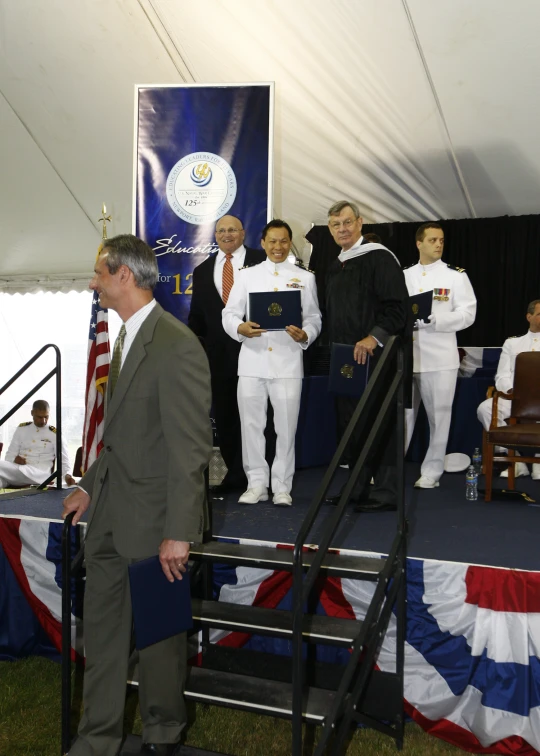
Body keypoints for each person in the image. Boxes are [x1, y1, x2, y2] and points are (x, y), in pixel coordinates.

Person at [62, 234, 212, 756]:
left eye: (99, 273)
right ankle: (96, 737)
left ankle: (163, 735)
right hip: (107, 516)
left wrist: (179, 531)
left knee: (159, 645)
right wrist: (88, 484)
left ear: (124, 275)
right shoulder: (123, 339)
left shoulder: (175, 344)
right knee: (101, 641)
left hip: (155, 524)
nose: (93, 282)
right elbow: (125, 432)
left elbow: (189, 449)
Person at [222, 219, 321, 506]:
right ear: (263, 243)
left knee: (286, 427)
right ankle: (256, 484)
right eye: (272, 241)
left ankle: (281, 486)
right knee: (251, 426)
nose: (278, 247)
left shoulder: (305, 278)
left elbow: (314, 317)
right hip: (252, 361)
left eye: (284, 241)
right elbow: (229, 314)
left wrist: (306, 335)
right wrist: (239, 328)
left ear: (290, 244)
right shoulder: (247, 276)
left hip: (288, 362)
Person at [324, 200, 410, 512]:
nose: (342, 229)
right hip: (346, 358)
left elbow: (397, 306)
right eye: (336, 225)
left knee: (380, 421)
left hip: (376, 357)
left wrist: (374, 337)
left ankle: (386, 492)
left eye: (347, 222)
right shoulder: (338, 263)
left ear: (360, 223)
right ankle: (357, 488)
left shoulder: (379, 258)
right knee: (353, 424)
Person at [188, 215, 265, 494]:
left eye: (232, 229)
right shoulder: (202, 271)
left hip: (260, 352)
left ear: (243, 233)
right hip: (219, 360)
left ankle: (263, 476)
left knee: (259, 416)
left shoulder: (262, 260)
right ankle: (235, 475)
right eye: (221, 231)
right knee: (226, 417)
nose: (226, 235)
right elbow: (197, 317)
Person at [404, 222, 477, 489]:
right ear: (419, 243)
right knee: (403, 417)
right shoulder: (404, 275)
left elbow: (469, 314)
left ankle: (431, 472)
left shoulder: (455, 276)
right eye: (433, 240)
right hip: (409, 355)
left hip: (440, 356)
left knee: (439, 417)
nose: (438, 244)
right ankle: (391, 470)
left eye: (442, 240)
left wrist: (438, 320)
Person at [477, 299, 540, 480]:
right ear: (529, 317)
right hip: (515, 398)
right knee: (485, 408)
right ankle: (516, 459)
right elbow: (502, 376)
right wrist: (513, 391)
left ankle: (538, 461)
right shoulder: (513, 343)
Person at [0, 399, 74, 488]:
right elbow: (9, 456)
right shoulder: (22, 429)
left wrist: (67, 475)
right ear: (32, 413)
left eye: (46, 417)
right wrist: (14, 459)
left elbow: (64, 459)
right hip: (18, 471)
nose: (43, 421)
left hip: (39, 474)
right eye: (39, 417)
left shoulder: (54, 434)